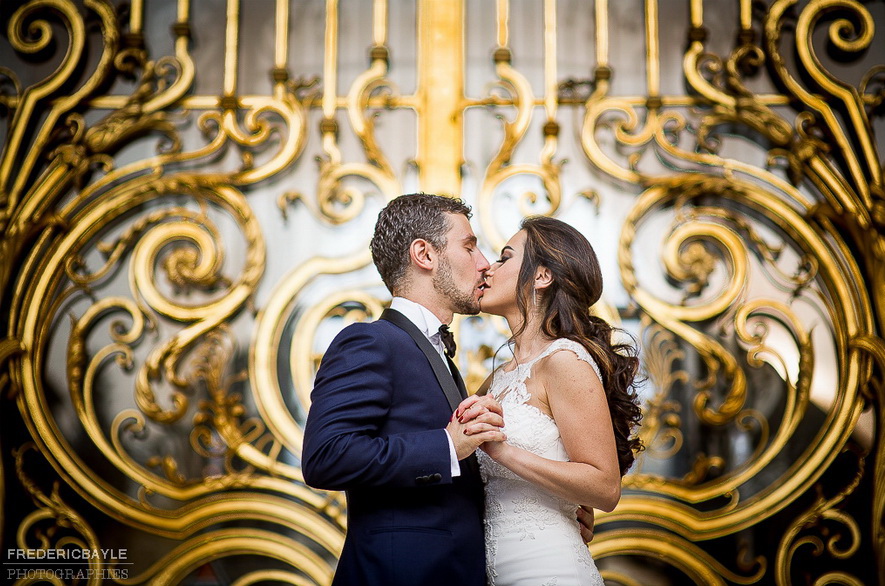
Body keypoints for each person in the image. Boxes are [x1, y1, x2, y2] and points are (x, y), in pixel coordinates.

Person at [301, 193, 507, 586]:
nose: (484, 263)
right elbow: (325, 456)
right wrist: (446, 446)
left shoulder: (435, 350)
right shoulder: (370, 341)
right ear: (424, 254)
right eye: (469, 246)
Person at [475, 216, 643, 586]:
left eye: (505, 258)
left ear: (541, 277)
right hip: (494, 567)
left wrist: (505, 453)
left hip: (547, 569)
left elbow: (604, 487)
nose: (488, 267)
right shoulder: (498, 376)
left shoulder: (565, 361)